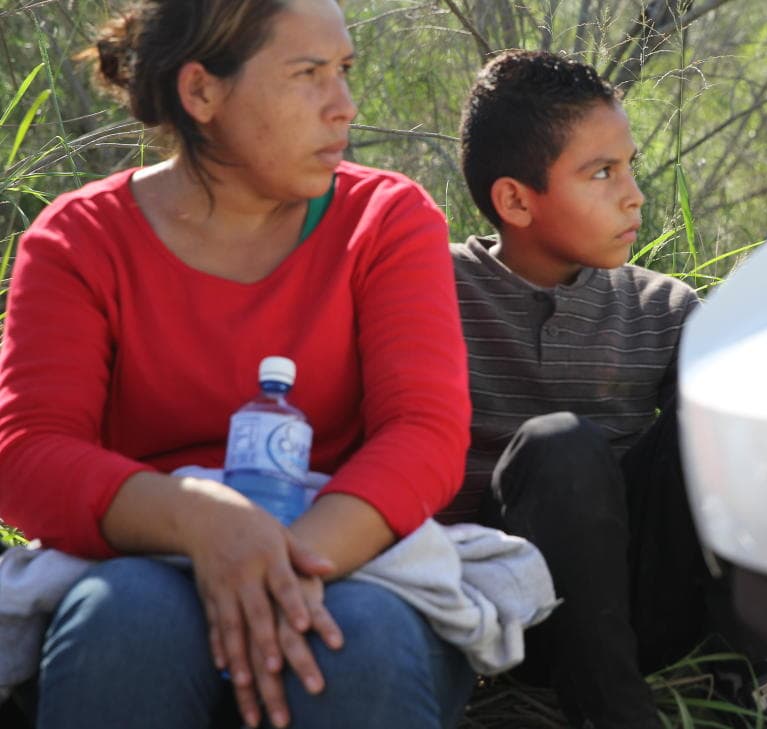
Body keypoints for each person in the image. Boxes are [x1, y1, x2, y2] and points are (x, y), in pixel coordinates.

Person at [0, 1, 475, 728]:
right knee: (124, 623)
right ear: (201, 93)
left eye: (344, 71)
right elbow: (29, 452)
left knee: (360, 643)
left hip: (341, 559)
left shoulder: (384, 220)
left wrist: (279, 568)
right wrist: (202, 522)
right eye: (308, 75)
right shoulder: (78, 241)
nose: (344, 106)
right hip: (144, 560)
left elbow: (423, 431)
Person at [444, 49, 767, 729]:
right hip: (507, 615)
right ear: (514, 199)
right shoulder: (432, 292)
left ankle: (761, 671)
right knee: (560, 447)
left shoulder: (663, 307)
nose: (634, 194)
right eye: (601, 173)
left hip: (643, 610)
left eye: (629, 166)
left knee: (727, 395)